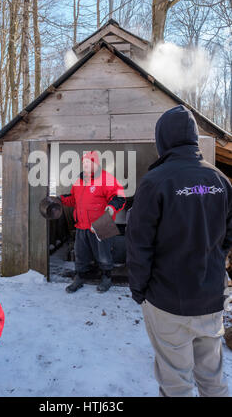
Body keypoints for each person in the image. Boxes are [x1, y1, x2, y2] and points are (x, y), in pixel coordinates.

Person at [126, 104, 231, 397]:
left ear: (163, 141)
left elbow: (139, 244)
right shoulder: (220, 181)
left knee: (177, 383)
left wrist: (139, 289)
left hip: (167, 301)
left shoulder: (154, 182)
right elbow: (228, 236)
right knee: (213, 380)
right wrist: (212, 260)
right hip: (210, 299)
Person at [60, 150, 125, 293]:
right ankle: (79, 277)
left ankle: (106, 278)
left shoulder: (106, 179)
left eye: (88, 162)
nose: (85, 165)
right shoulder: (79, 180)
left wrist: (112, 207)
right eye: (83, 163)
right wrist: (60, 200)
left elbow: (120, 197)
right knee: (80, 254)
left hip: (102, 223)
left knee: (104, 255)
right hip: (82, 224)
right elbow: (73, 199)